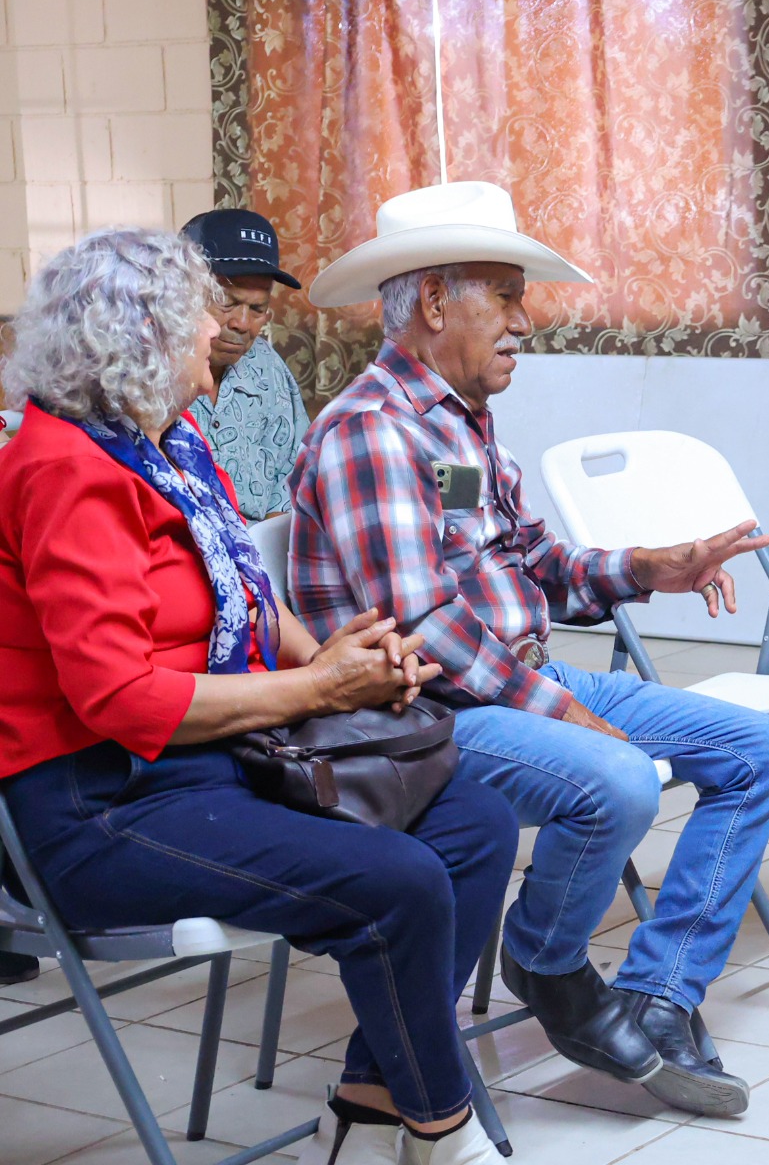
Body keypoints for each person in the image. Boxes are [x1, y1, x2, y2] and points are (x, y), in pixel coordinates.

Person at [0, 228, 520, 1165]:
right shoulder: (65, 468)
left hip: (210, 764)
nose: (221, 334)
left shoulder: (167, 440)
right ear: (141, 337)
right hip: (101, 801)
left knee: (475, 825)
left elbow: (245, 592)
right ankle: (447, 1138)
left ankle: (370, 1105)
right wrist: (314, 687)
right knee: (398, 882)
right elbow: (122, 699)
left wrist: (339, 663)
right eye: (202, 315)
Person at [290, 181, 769, 1118]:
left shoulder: (457, 423)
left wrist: (646, 567)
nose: (525, 321)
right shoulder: (371, 432)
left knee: (758, 750)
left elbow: (527, 561)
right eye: (506, 296)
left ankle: (657, 999)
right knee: (618, 781)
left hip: (514, 682)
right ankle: (546, 958)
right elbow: (425, 626)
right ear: (434, 301)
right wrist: (562, 709)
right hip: (424, 717)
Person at [181, 209, 310, 522]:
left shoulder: (267, 367)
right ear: (181, 291)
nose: (241, 323)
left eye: (257, 308)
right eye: (226, 302)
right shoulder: (150, 373)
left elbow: (297, 474)